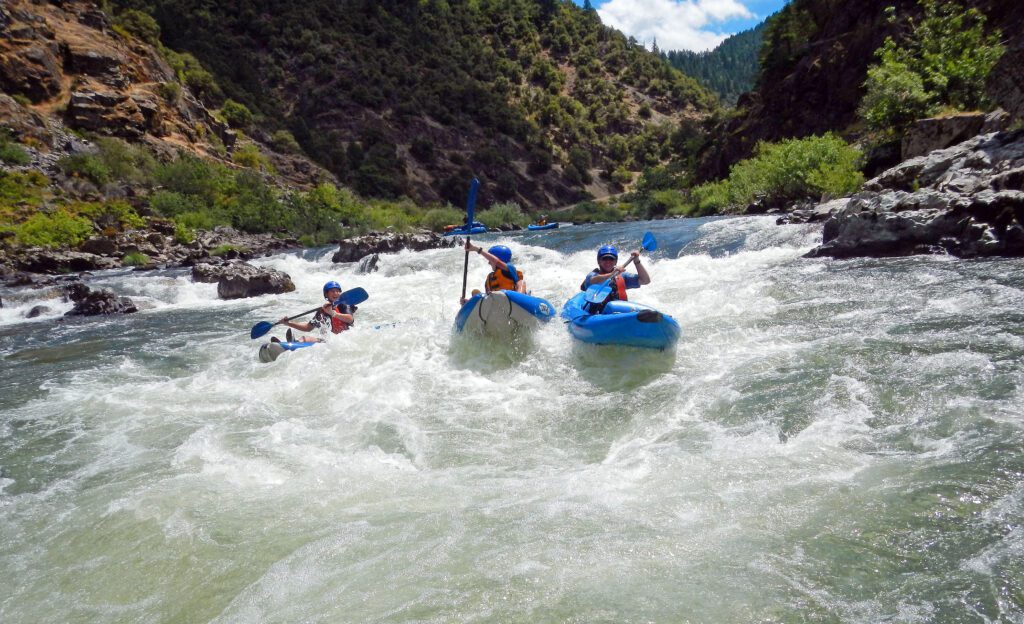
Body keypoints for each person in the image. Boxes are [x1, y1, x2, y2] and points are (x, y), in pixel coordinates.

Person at [277, 280, 355, 343]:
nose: (336, 293)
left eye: (338, 291)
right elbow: (308, 328)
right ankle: (294, 343)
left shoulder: (344, 305)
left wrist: (333, 313)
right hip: (329, 341)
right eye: (332, 291)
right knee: (304, 338)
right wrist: (288, 323)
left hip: (345, 340)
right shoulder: (322, 311)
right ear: (326, 294)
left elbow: (350, 319)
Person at [461, 242, 526, 305]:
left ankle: (520, 300)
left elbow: (497, 262)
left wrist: (477, 249)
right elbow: (487, 297)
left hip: (513, 302)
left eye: (490, 260)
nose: (489, 263)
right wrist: (468, 302)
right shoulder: (490, 277)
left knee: (522, 282)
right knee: (475, 293)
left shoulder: (510, 268)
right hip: (495, 305)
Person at [579, 244, 650, 302]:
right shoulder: (592, 275)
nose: (608, 261)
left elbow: (645, 280)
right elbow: (593, 280)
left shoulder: (622, 276)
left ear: (616, 261)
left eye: (611, 259)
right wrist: (611, 274)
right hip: (597, 313)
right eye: (604, 258)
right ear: (599, 261)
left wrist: (636, 261)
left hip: (618, 311)